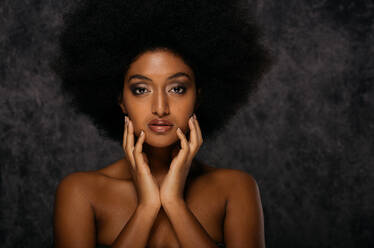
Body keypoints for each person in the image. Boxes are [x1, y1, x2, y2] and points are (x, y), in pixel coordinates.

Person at [53, 0, 272, 247]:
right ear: (120, 100)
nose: (160, 107)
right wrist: (147, 207)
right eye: (141, 89)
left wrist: (174, 203)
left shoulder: (235, 189)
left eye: (177, 88)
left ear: (198, 98)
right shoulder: (81, 192)